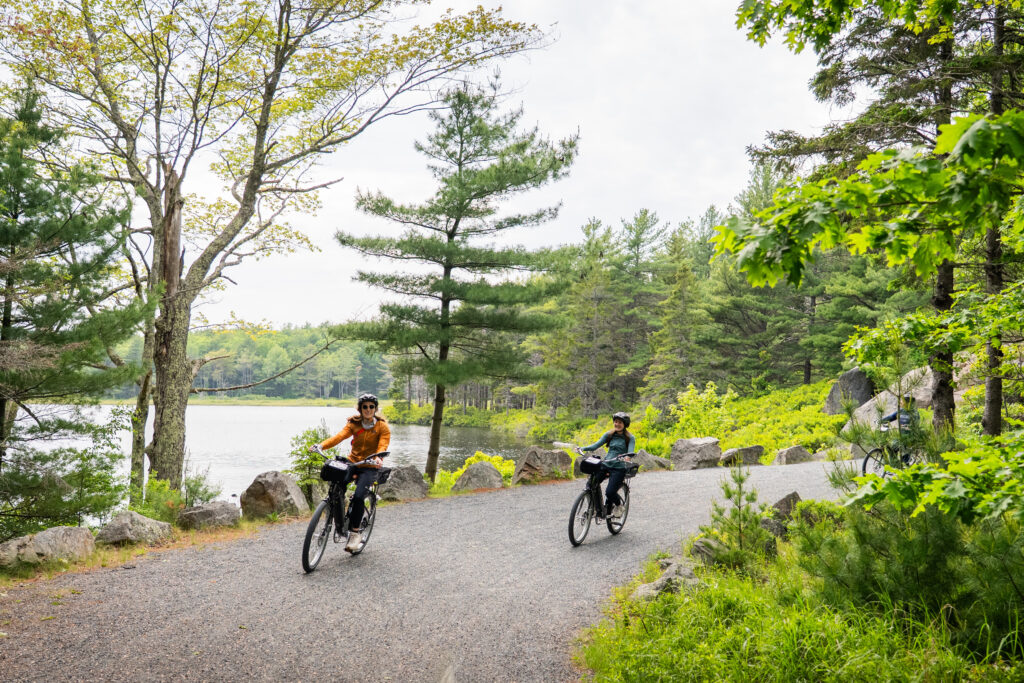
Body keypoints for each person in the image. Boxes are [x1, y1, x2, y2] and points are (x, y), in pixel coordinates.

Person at [313, 393, 391, 552]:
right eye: (365, 407)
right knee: (337, 486)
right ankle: (339, 521)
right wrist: (321, 446)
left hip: (369, 465)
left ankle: (355, 533)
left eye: (371, 407)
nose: (368, 410)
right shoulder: (354, 424)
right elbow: (339, 437)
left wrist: (378, 457)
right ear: (360, 409)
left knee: (358, 496)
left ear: (375, 409)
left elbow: (383, 444)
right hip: (353, 462)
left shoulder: (382, 427)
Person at [579, 411, 635, 519]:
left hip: (619, 468)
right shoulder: (609, 435)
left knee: (610, 492)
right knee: (591, 484)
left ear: (625, 424)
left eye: (619, 422)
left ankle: (619, 505)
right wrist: (583, 448)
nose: (617, 424)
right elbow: (595, 445)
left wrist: (627, 457)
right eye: (615, 422)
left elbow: (630, 452)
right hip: (606, 464)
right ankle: (596, 509)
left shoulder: (629, 438)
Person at [880, 394, 921, 459]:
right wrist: (880, 421)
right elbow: (891, 417)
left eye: (902, 401)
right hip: (900, 436)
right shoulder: (901, 411)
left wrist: (909, 429)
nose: (900, 402)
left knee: (905, 458)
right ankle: (894, 465)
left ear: (908, 402)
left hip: (909, 438)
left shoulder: (915, 413)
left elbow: (916, 426)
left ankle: (905, 466)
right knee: (892, 449)